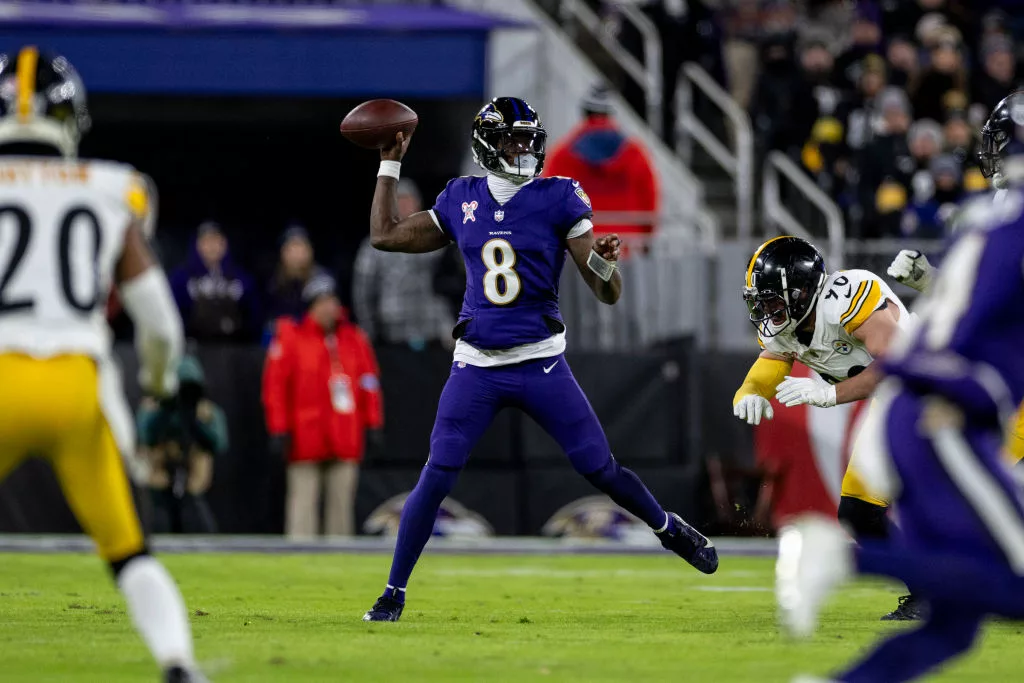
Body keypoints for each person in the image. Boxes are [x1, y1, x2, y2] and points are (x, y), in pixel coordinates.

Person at [361, 96, 718, 622]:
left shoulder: (559, 197)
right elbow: (384, 235)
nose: (523, 148)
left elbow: (607, 292)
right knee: (436, 475)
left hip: (539, 362)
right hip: (478, 363)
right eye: (511, 139)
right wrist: (390, 162)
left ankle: (669, 528)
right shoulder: (461, 197)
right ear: (487, 145)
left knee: (599, 466)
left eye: (528, 139)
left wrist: (604, 261)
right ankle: (393, 592)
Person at [778, 93, 1024, 683]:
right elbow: (959, 336)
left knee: (953, 626)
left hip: (935, 410)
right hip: (945, 414)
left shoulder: (991, 216)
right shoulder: (1011, 225)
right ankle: (840, 559)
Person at [0, 47, 203, 682]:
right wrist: (159, 383)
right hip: (78, 387)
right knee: (129, 553)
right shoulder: (114, 187)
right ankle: (178, 663)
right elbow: (160, 324)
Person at [732, 236, 920, 620]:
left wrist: (828, 395)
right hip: (897, 404)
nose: (767, 310)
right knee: (859, 511)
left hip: (931, 391)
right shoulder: (788, 323)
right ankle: (931, 592)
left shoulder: (847, 299)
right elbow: (773, 358)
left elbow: (896, 364)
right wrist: (749, 392)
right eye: (762, 300)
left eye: (772, 300)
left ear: (802, 293)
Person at [889, 90, 1024, 465]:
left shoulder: (997, 214)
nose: (994, 156)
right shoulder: (996, 209)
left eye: (1002, 143)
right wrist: (932, 280)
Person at [262, 274, 383, 538]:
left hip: (344, 435)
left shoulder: (354, 339)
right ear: (310, 307)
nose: (329, 307)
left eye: (332, 300)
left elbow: (369, 383)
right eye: (322, 302)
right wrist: (278, 428)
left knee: (341, 511)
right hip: (305, 438)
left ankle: (340, 569)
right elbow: (275, 387)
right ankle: (298, 566)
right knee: (302, 508)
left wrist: (372, 422)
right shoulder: (290, 337)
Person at [543, 86, 659, 238]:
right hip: (626, 244)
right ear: (611, 115)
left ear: (584, 113)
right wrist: (647, 235)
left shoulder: (563, 154)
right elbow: (648, 198)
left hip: (577, 244)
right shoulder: (635, 153)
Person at [352, 178, 454, 349]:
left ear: (419, 204)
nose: (406, 206)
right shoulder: (375, 245)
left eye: (410, 200)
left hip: (433, 329)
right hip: (393, 332)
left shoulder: (436, 239)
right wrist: (369, 330)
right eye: (400, 200)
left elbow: (452, 281)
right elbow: (362, 292)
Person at [137, 354, 227, 534]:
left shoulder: (206, 412)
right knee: (157, 526)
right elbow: (144, 436)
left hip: (193, 485)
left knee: (202, 529)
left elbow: (219, 443)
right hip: (159, 483)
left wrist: (195, 422)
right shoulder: (153, 408)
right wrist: (165, 410)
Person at [169, 221, 261, 342]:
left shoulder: (241, 278)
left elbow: (253, 315)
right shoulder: (182, 278)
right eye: (206, 241)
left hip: (234, 347)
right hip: (195, 345)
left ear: (224, 244)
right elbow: (173, 314)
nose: (212, 247)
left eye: (216, 241)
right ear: (197, 245)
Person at [265, 224, 327, 324]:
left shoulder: (323, 280)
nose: (298, 254)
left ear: (310, 251)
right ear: (283, 252)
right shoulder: (274, 282)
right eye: (293, 247)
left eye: (301, 247)